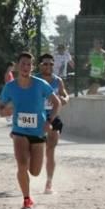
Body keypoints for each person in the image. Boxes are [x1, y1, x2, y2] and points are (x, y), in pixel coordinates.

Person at [0, 52, 62, 209]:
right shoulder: (10, 87)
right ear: (18, 66)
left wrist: (49, 121)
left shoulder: (40, 84)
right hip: (19, 131)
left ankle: (30, 181)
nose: (26, 67)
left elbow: (57, 103)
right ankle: (27, 199)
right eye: (23, 64)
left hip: (38, 132)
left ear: (32, 67)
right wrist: (4, 111)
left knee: (34, 171)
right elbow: (0, 108)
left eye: (29, 64)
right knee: (21, 164)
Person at [37, 53, 70, 194]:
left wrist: (64, 99)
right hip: (37, 118)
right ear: (40, 65)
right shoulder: (34, 80)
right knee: (34, 151)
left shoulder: (58, 81)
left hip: (53, 116)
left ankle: (49, 183)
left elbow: (65, 95)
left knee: (50, 151)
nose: (48, 66)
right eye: (45, 63)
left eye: (51, 64)